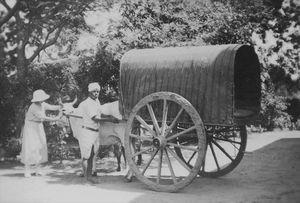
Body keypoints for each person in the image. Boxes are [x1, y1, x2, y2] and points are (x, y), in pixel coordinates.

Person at [20, 89, 62, 177]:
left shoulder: (42, 104)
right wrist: (56, 118)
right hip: (30, 127)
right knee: (30, 147)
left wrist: (61, 106)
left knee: (40, 147)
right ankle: (27, 170)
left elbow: (52, 107)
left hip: (39, 126)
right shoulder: (33, 107)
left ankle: (37, 170)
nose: (43, 100)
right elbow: (44, 117)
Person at [77, 82, 102, 183]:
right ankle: (86, 180)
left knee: (91, 155)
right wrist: (110, 120)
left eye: (97, 91)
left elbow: (100, 113)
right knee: (85, 157)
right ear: (89, 92)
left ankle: (90, 177)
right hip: (87, 132)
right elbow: (95, 118)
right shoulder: (87, 103)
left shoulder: (97, 102)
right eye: (94, 91)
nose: (96, 93)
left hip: (95, 132)